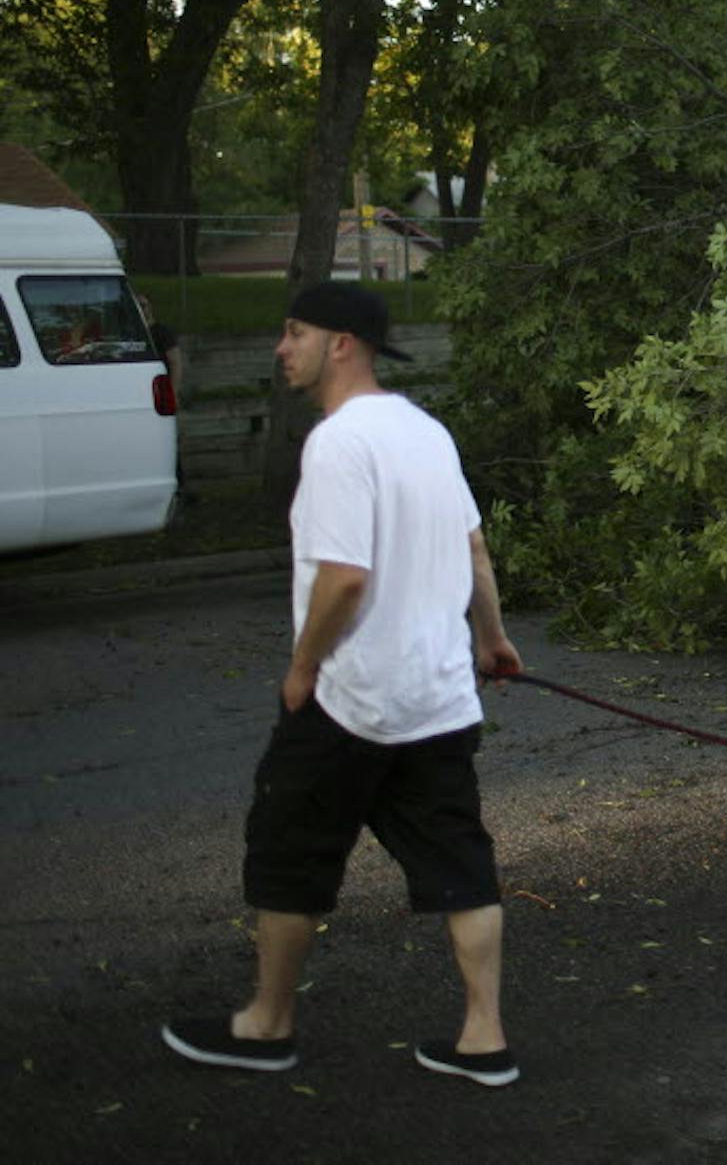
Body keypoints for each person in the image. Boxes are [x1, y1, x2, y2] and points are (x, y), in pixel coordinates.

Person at [161, 281, 525, 1087]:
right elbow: (473, 551)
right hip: (438, 698)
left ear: (342, 344)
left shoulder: (337, 442)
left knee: (289, 849)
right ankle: (483, 1039)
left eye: (294, 332)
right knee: (458, 860)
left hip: (351, 699)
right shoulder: (427, 432)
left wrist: (301, 669)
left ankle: (267, 1025)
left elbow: (344, 578)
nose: (280, 347)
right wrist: (492, 639)